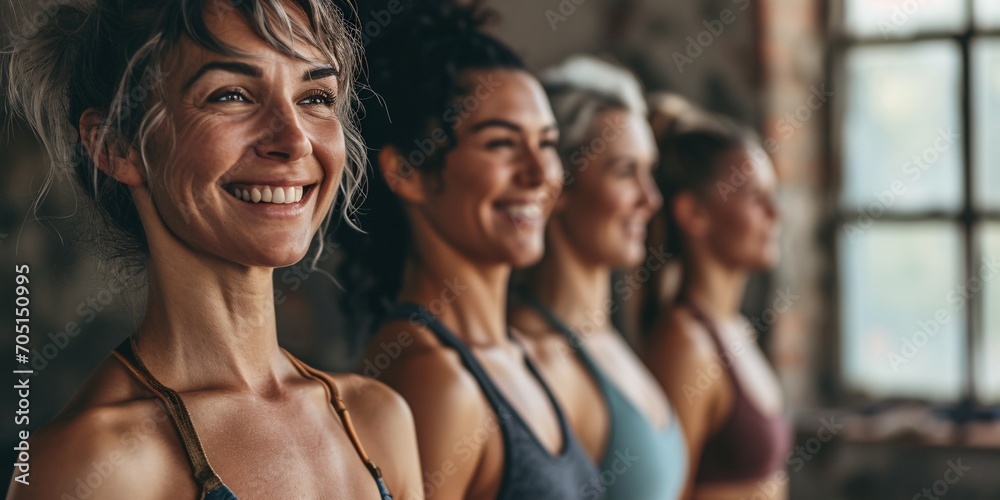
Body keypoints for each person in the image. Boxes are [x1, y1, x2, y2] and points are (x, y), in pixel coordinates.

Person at [5, 1, 421, 498]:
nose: (294, 140)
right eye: (232, 95)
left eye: (314, 97)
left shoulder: (378, 419)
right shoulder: (90, 464)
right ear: (115, 145)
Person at [338, 2, 600, 498]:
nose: (539, 174)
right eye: (501, 144)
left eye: (546, 143)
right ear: (409, 172)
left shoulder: (517, 355)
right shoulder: (432, 377)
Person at [507, 56, 687, 500]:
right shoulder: (539, 363)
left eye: (650, 172)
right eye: (625, 172)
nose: (651, 199)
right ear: (560, 185)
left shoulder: (609, 341)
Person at [640, 98, 792, 499]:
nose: (774, 214)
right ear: (693, 214)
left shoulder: (736, 329)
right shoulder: (685, 345)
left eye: (772, 195)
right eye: (754, 198)